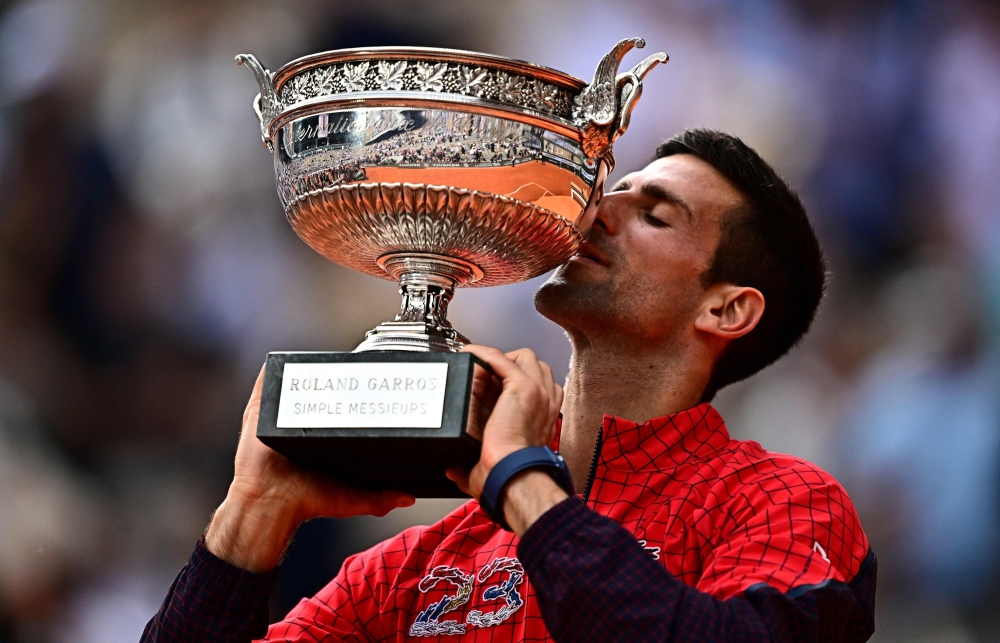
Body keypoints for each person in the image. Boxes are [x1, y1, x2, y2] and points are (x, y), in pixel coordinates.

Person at [143, 129, 875, 642]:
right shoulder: (423, 565)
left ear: (727, 307)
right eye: (608, 192)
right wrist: (250, 516)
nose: (595, 209)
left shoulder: (783, 504)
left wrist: (524, 481)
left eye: (652, 214)